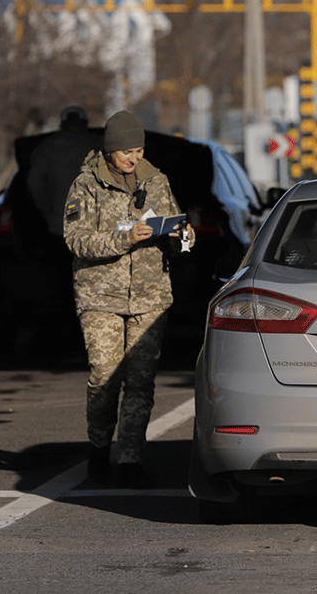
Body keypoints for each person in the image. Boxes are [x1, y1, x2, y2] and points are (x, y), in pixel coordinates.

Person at [63, 110, 194, 489]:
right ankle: (99, 447)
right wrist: (126, 238)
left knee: (141, 380)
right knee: (105, 377)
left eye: (138, 150)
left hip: (150, 296)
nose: (133, 158)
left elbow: (174, 226)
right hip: (100, 295)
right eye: (126, 152)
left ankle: (131, 458)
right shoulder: (86, 185)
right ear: (109, 151)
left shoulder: (156, 181)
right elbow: (76, 240)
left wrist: (183, 236)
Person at [27, 106, 95, 239]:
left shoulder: (48, 148)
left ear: (62, 124)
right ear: (85, 124)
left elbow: (33, 182)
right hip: (96, 227)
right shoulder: (99, 145)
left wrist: (47, 209)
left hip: (60, 225)